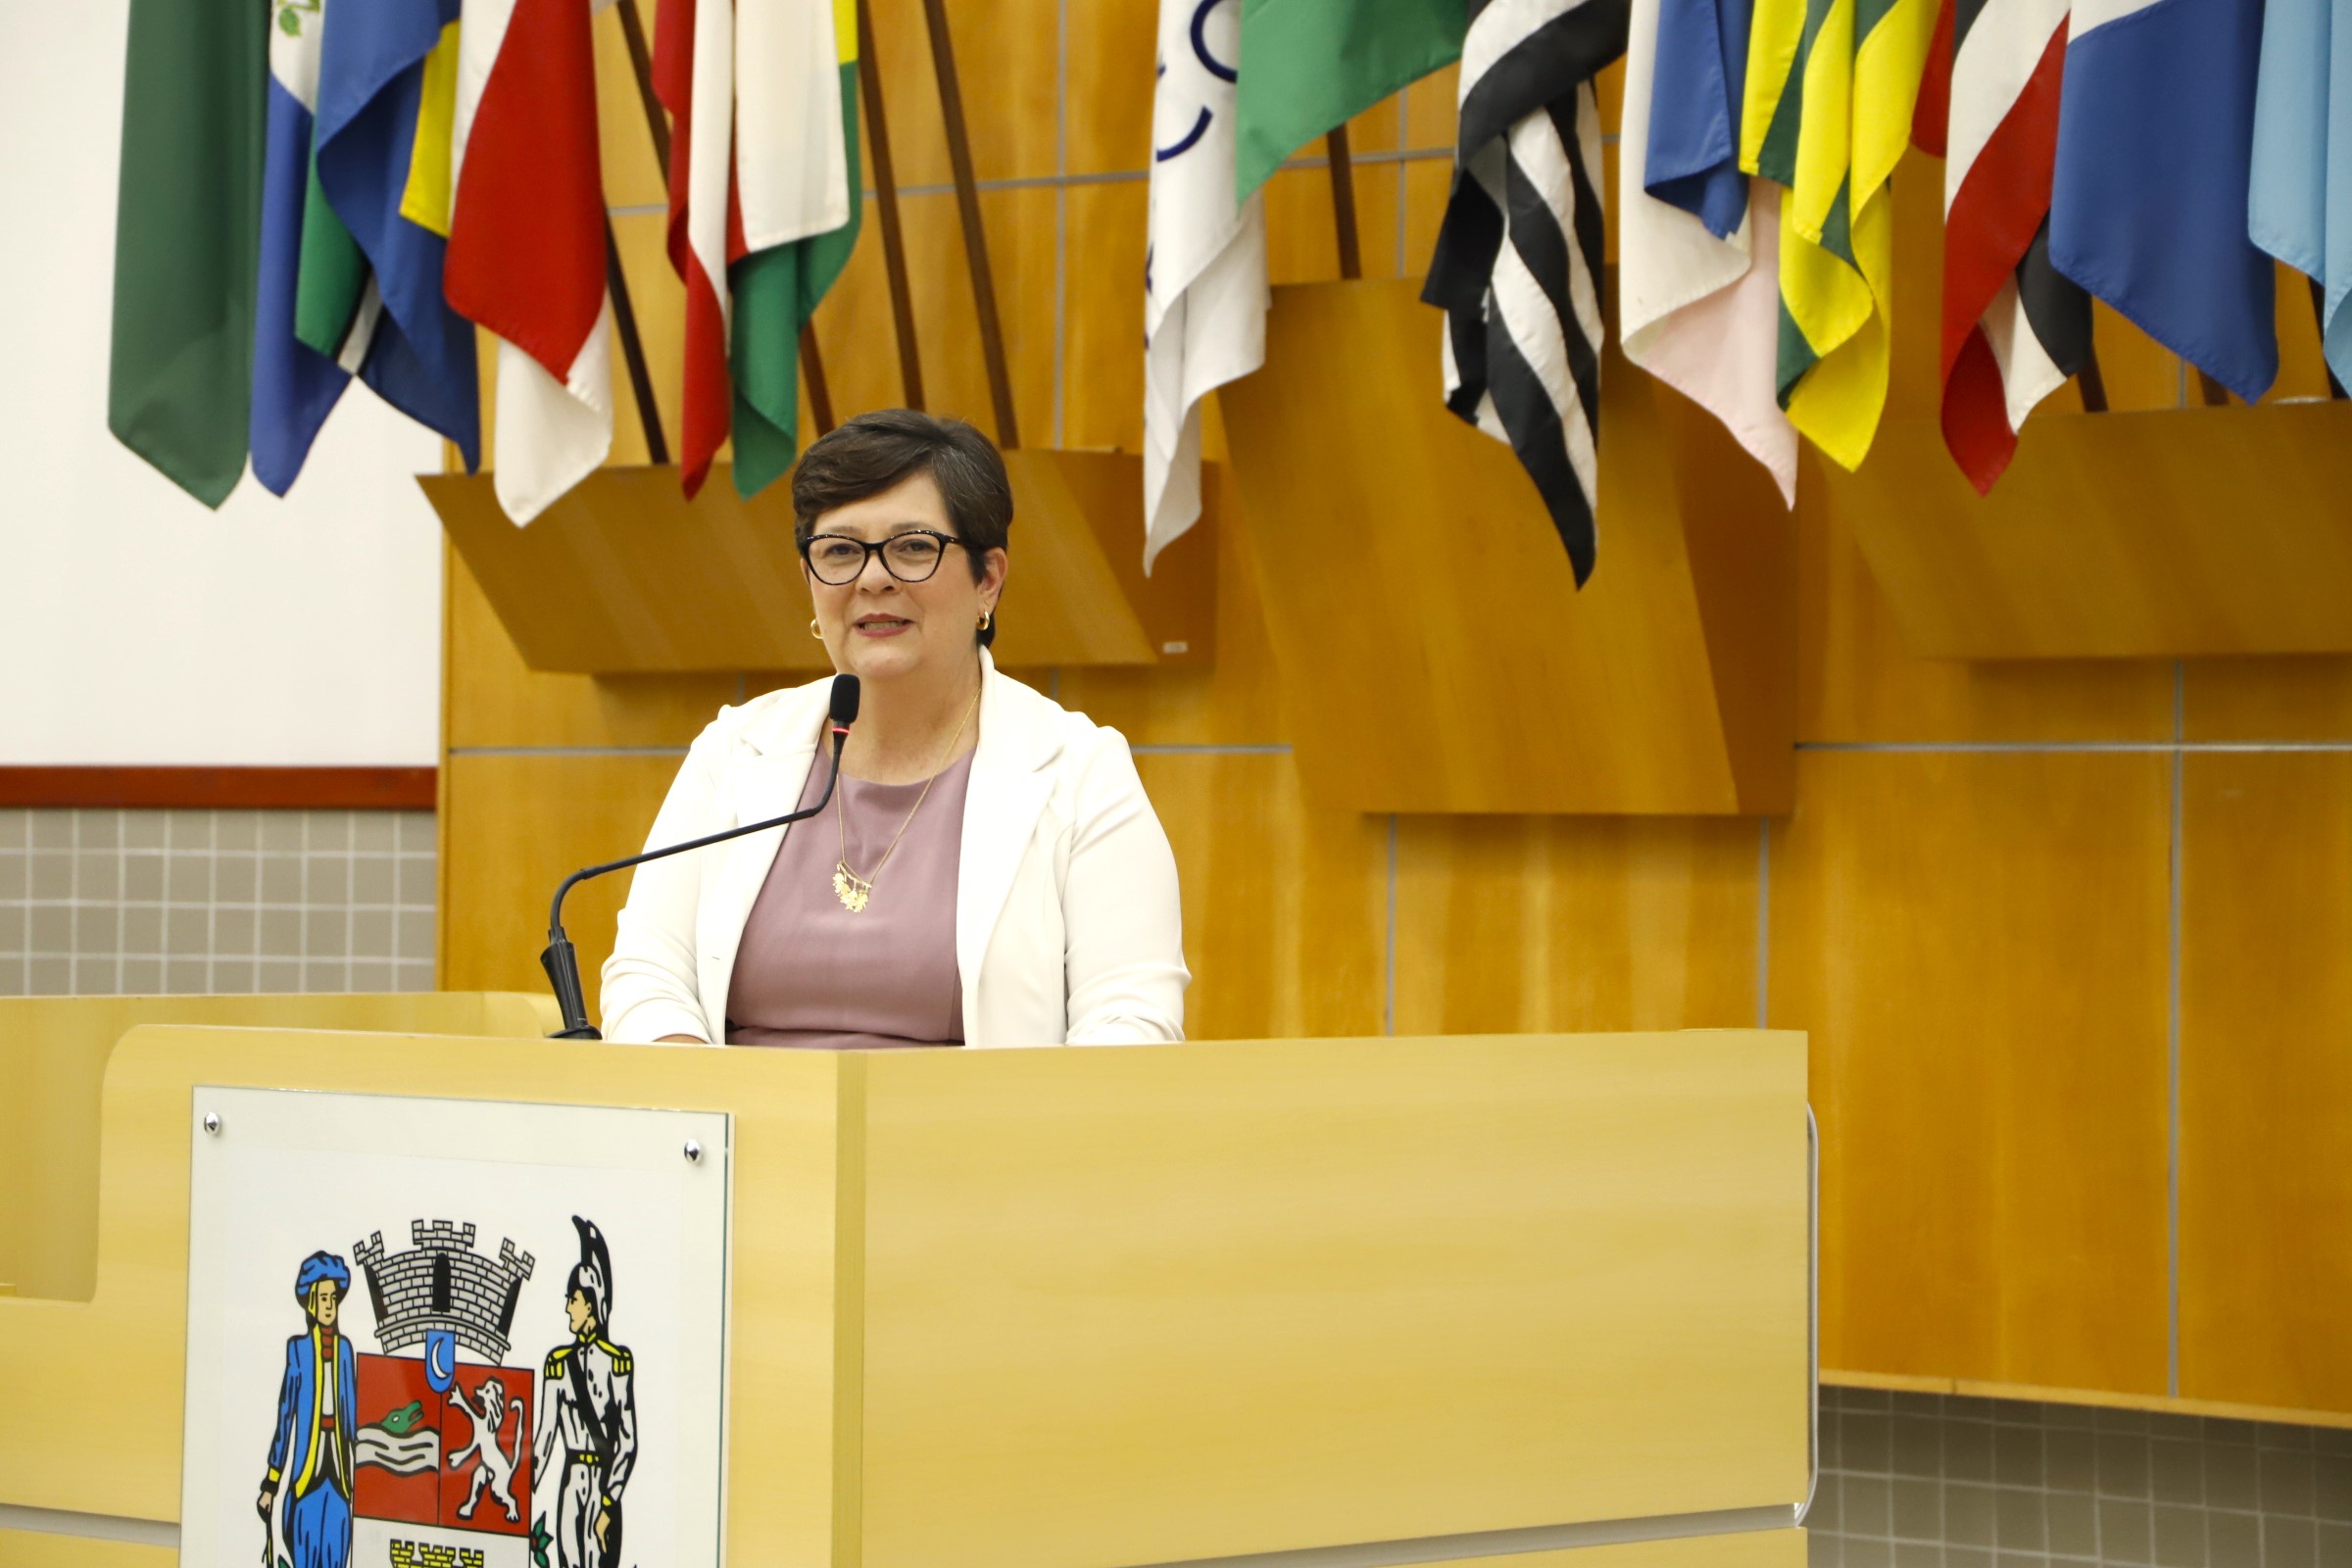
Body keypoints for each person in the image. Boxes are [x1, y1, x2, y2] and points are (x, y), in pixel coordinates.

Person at [600, 410, 1189, 1050]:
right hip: (741, 1112)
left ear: (988, 579)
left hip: (970, 1117)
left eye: (913, 547)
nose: (873, 578)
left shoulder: (1080, 771)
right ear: (809, 580)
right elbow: (648, 974)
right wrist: (698, 1088)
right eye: (840, 551)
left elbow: (1131, 1020)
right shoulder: (734, 752)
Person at [534, 1218, 636, 1568]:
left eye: (573, 1300)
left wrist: (609, 1502)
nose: (567, 1308)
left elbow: (627, 1442)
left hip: (604, 1486)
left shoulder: (617, 1362)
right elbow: (545, 1438)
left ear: (590, 1304)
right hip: (571, 1480)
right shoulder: (558, 1364)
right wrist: (522, 1490)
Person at [258, 1251, 359, 1568]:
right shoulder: (298, 1350)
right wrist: (271, 1483)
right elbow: (285, 1419)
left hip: (339, 1478)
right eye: (323, 1298)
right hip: (306, 1477)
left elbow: (353, 1420)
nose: (329, 1305)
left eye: (333, 1298)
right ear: (311, 1303)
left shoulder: (345, 1350)